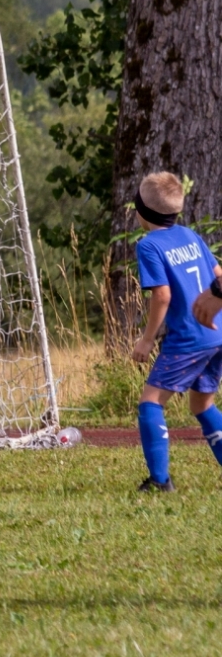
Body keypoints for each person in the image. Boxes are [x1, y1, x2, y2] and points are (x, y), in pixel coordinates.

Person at [128, 172, 222, 493]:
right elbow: (218, 273)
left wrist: (147, 338)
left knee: (150, 402)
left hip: (188, 337)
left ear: (141, 210)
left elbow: (162, 295)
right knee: (202, 405)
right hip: (216, 332)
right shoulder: (189, 235)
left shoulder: (149, 245)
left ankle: (159, 481)